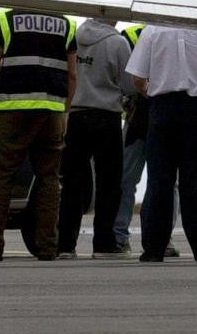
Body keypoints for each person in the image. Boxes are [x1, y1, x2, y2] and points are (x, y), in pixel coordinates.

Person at [0, 0, 78, 261]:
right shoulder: (66, 24)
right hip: (52, 111)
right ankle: (47, 246)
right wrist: (65, 110)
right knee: (49, 178)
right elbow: (72, 74)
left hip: (13, 111)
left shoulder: (7, 19)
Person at [126, 0, 197, 263]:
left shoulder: (152, 30)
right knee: (195, 179)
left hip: (161, 108)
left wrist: (153, 90)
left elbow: (137, 77)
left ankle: (154, 248)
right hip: (194, 108)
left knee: (159, 179)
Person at [113, 0, 190, 257]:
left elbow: (128, 80)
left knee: (149, 180)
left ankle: (144, 236)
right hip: (145, 116)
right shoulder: (137, 34)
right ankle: (131, 235)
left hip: (144, 114)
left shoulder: (137, 34)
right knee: (146, 180)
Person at [56, 17, 135, 259]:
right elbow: (129, 84)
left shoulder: (74, 37)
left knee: (72, 182)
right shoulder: (117, 43)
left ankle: (65, 244)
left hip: (76, 114)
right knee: (109, 183)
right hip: (106, 114)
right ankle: (103, 243)